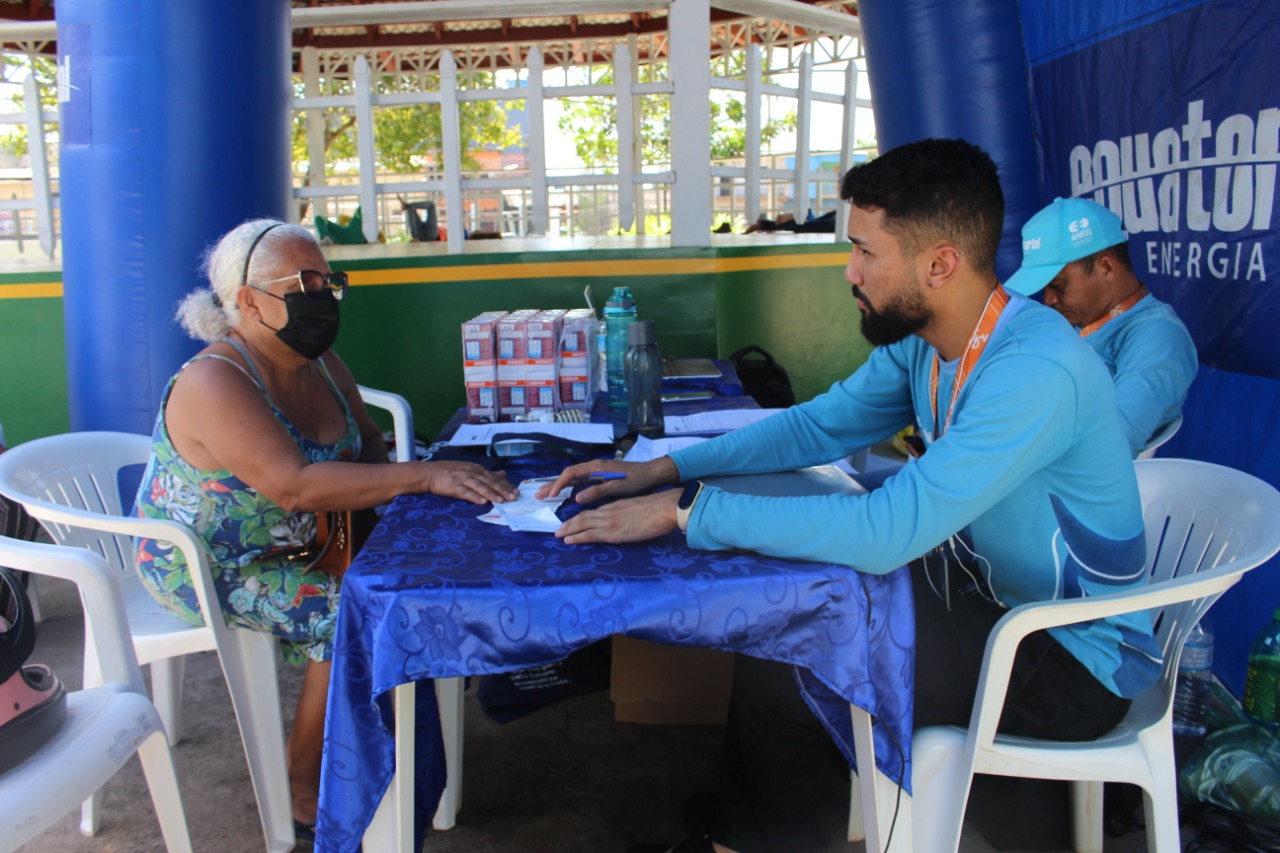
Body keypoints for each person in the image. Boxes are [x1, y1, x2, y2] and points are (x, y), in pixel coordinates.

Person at [537, 139, 1159, 853]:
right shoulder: (929, 340)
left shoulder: (1035, 369)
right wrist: (669, 469)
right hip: (987, 603)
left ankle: (757, 836)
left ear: (939, 264)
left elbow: (885, 530)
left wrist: (687, 512)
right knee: (792, 621)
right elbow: (816, 426)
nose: (849, 270)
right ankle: (755, 834)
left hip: (1063, 656)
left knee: (796, 649)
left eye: (865, 251)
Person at [132, 218, 517, 839]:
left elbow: (366, 441)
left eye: (327, 280)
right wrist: (420, 479)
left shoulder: (318, 361)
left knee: (411, 578)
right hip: (210, 564)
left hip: (309, 541)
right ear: (248, 300)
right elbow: (292, 485)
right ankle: (302, 780)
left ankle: (396, 747)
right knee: (352, 609)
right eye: (302, 281)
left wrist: (387, 510)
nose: (321, 296)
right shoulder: (215, 381)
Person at [1005, 196, 1198, 457]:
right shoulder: (1076, 320)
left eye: (1059, 285)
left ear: (1106, 267)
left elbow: (1112, 445)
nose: (1048, 299)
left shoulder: (1158, 337)